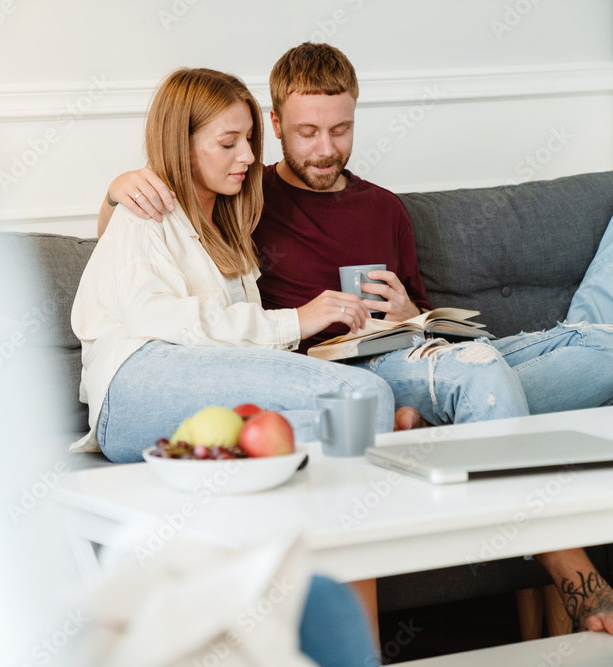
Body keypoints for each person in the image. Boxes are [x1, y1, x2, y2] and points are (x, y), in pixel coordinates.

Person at [95, 45, 613, 637]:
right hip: (331, 370)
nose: (325, 148)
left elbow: (425, 319)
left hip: (406, 349)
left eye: (340, 130)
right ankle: (571, 569)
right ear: (277, 124)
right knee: (470, 373)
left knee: (574, 352)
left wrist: (408, 310)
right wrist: (117, 190)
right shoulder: (248, 194)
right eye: (307, 131)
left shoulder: (383, 208)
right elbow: (142, 256)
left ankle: (432, 427)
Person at [72, 66, 383, 666]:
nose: (246, 156)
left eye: (249, 140)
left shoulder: (227, 228)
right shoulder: (146, 210)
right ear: (179, 144)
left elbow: (236, 352)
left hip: (186, 385)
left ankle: (309, 628)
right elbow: (173, 325)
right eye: (227, 143)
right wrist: (298, 320)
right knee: (357, 399)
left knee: (337, 423)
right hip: (136, 384)